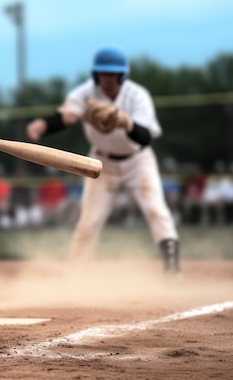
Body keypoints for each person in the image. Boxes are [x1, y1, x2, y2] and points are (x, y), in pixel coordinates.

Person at [26, 47, 181, 276]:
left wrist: (125, 122)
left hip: (138, 161)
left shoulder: (137, 95)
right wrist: (42, 125)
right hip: (101, 163)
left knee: (157, 211)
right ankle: (75, 274)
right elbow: (67, 116)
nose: (107, 78)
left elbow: (145, 137)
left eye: (113, 73)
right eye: (103, 73)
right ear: (96, 74)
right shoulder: (85, 93)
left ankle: (172, 271)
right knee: (89, 221)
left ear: (122, 75)